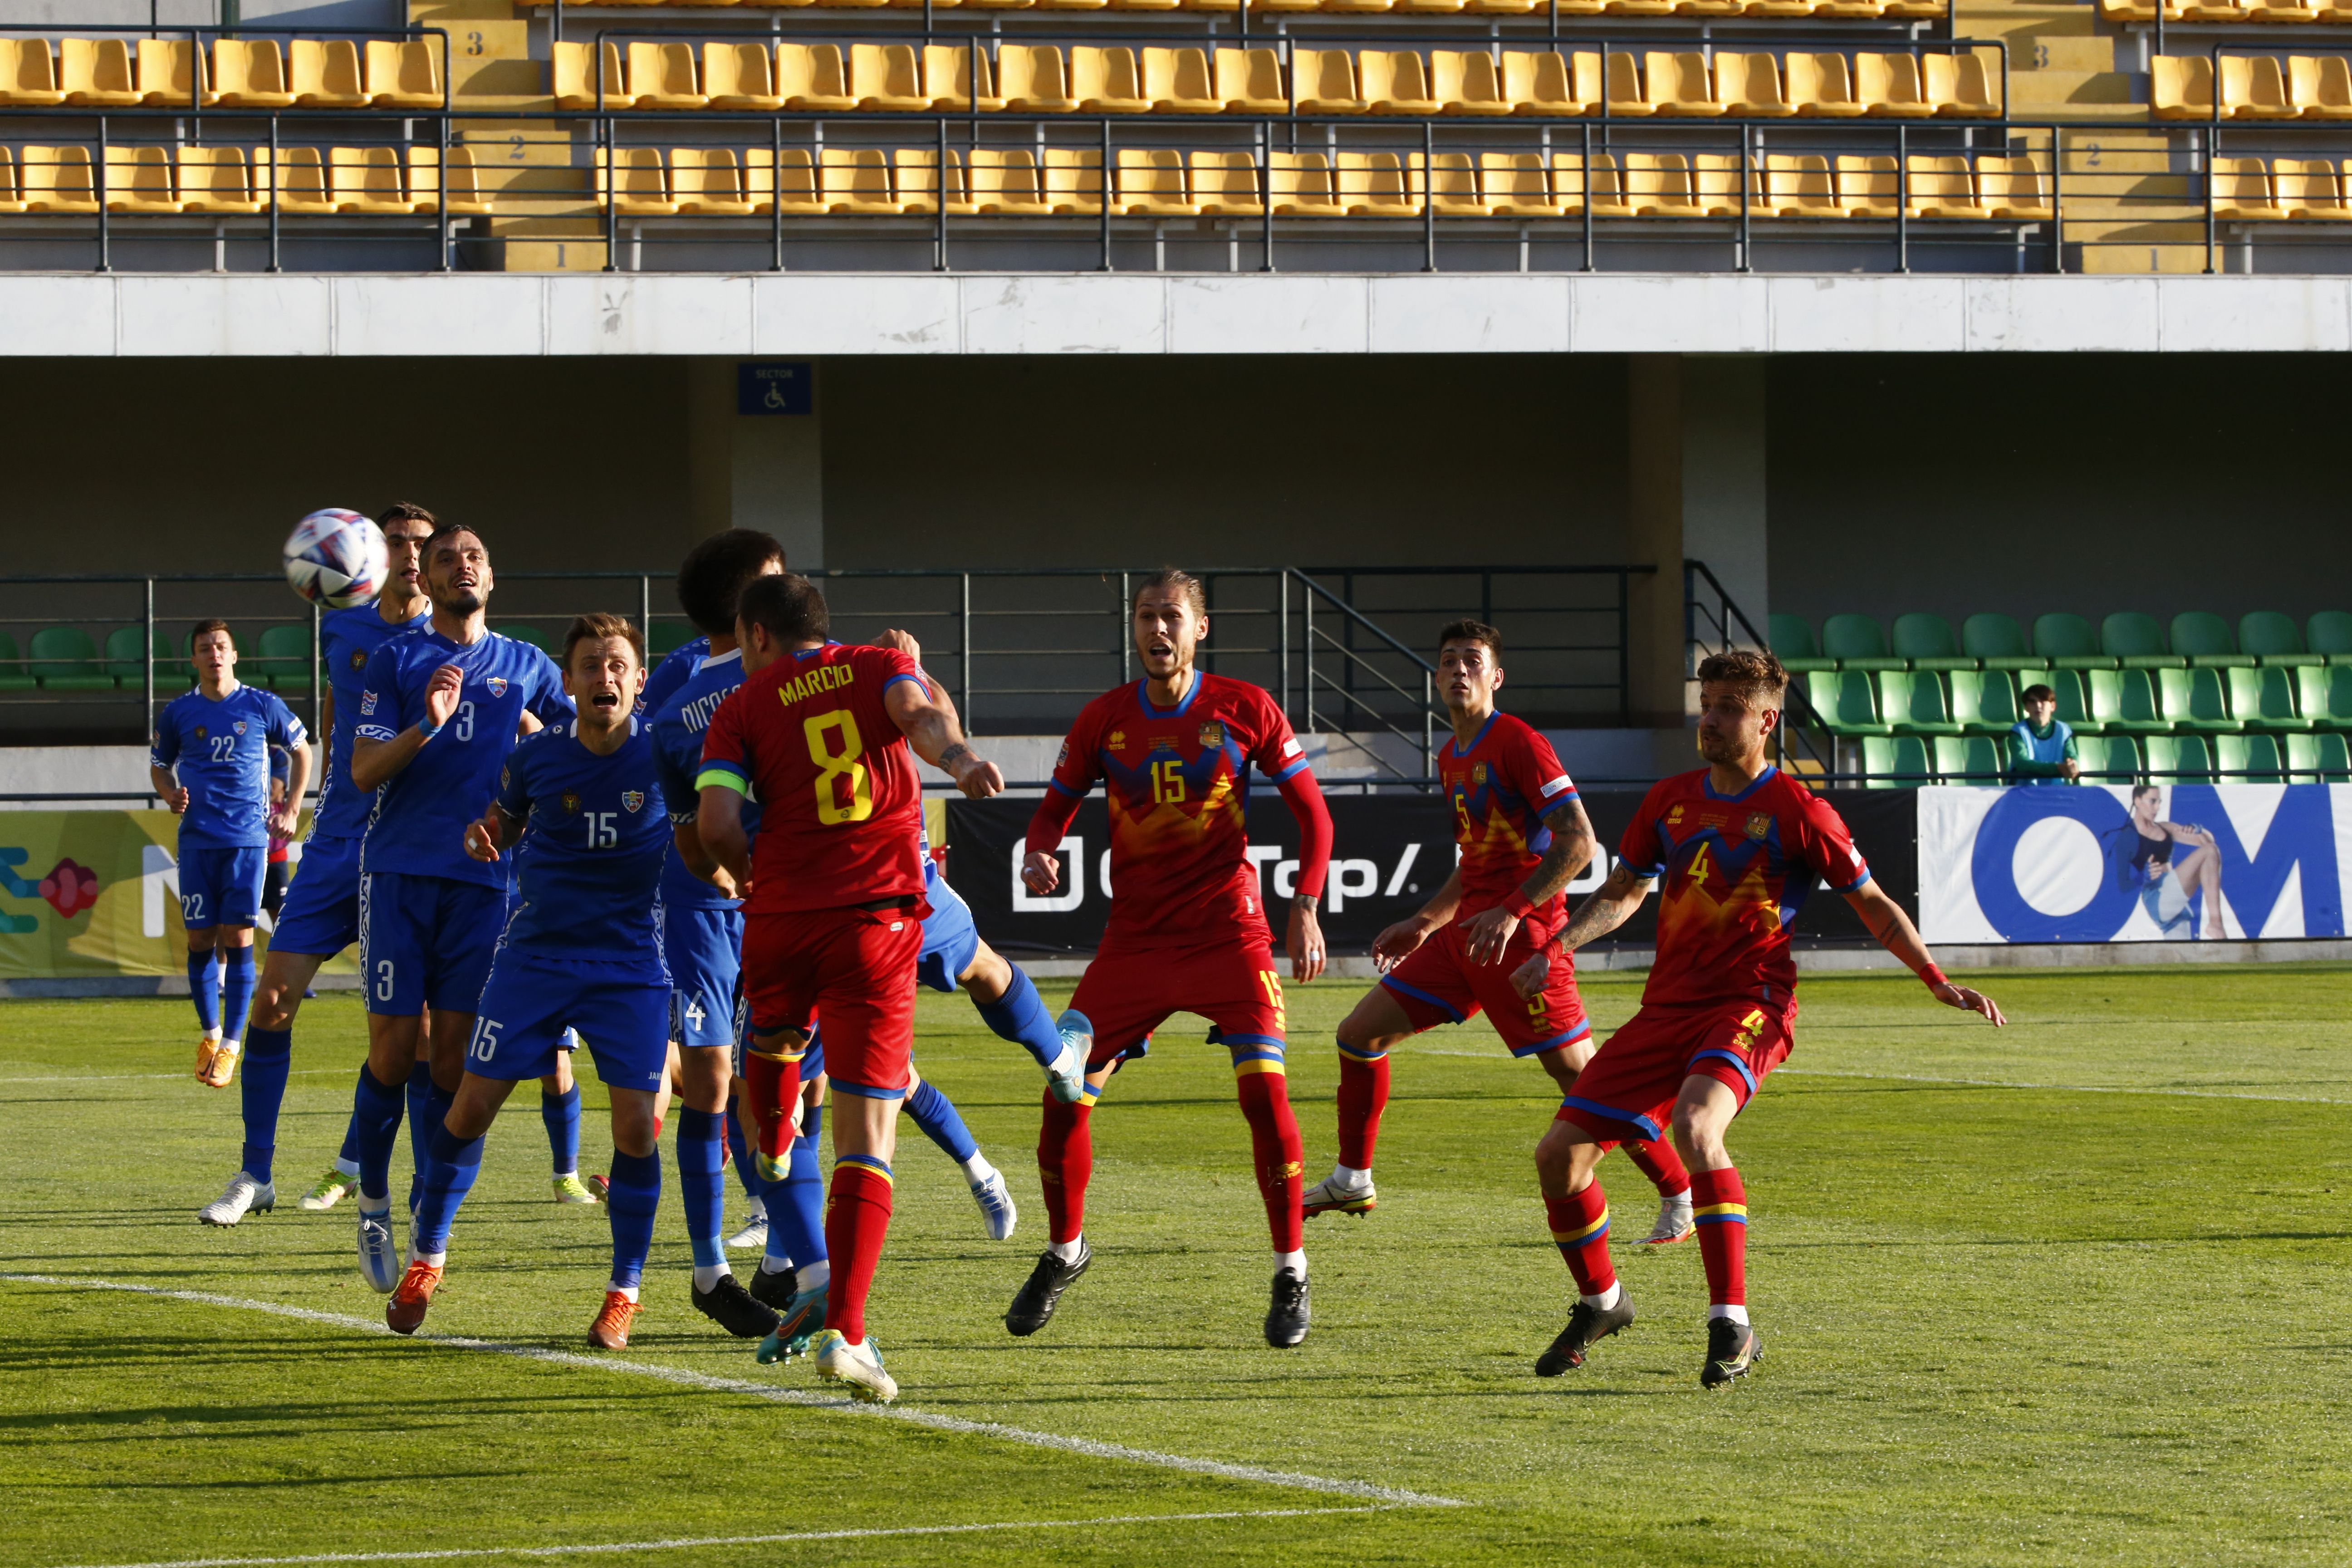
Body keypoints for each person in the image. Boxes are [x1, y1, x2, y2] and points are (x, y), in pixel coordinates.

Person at [1509, 649, 2005, 1388]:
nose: (1709, 719)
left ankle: (1730, 1323)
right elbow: (1622, 892)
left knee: (1695, 1127)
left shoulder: (1800, 810)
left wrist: (1934, 979)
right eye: (1706, 704)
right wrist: (1557, 945)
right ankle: (1602, 1303)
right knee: (1558, 1156)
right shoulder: (1668, 800)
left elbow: (1871, 902)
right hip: (1664, 1008)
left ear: (1767, 720)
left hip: (1750, 1005)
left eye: (1729, 707)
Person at [388, 615, 775, 1346]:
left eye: (618, 665)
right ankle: (427, 1258)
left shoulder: (666, 753)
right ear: (567, 683)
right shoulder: (535, 756)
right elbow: (503, 820)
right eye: (591, 666)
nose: (605, 677)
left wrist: (734, 878)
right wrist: (485, 833)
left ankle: (624, 1292)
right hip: (533, 960)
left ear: (639, 680)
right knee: (470, 1109)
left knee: (635, 1129)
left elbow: (702, 832)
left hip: (629, 968)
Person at [696, 571, 1004, 1403]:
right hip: (873, 921)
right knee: (868, 1135)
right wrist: (961, 759)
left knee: (773, 1049)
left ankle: (772, 1139)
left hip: (780, 920)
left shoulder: (740, 707)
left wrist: (752, 877)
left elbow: (717, 824)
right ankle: (849, 1333)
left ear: (757, 636)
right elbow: (920, 716)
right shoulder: (874, 667)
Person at [1007, 568, 1333, 1350]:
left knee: (1265, 1096)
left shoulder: (1245, 707)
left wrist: (1305, 907)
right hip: (1135, 945)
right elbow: (1050, 815)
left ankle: (1290, 1269)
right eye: (1146, 616)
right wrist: (1038, 852)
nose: (1158, 630)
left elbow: (1314, 816)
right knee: (1062, 1097)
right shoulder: (1104, 719)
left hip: (1229, 936)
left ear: (1200, 629)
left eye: (1172, 617)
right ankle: (1065, 1251)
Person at [1303, 621, 1696, 1245]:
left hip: (1525, 941)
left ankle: (1678, 1191)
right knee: (1358, 1035)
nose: (1459, 670)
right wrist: (1424, 921)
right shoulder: (1451, 755)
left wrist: (1514, 910)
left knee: (1584, 1082)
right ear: (1436, 677)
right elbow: (1476, 860)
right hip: (1466, 938)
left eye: (1473, 660)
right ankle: (1353, 1178)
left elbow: (1580, 842)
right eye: (1449, 661)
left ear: (1496, 677)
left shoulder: (1518, 742)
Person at [343, 523, 573, 1292]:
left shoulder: (528, 665)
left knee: (453, 1062)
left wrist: (539, 742)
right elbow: (364, 770)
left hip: (485, 886)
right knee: (391, 1052)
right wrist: (428, 724)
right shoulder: (397, 658)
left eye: (474, 556)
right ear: (428, 579)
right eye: (446, 558)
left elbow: (579, 750)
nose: (461, 565)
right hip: (401, 873)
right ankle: (372, 1202)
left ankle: (425, 1207)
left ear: (492, 577)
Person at [235, 504, 434, 1222]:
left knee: (412, 1034)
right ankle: (255, 1175)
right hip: (336, 845)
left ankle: (357, 1167)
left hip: (410, 851)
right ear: (374, 554)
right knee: (272, 1001)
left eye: (423, 545)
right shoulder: (342, 626)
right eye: (398, 543)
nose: (412, 555)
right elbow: (336, 706)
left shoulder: (449, 640)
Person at [156, 621, 313, 1206]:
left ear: (235, 655)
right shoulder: (179, 713)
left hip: (248, 841)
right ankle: (210, 1035)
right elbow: (159, 764)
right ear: (195, 659)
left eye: (221, 647)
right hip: (198, 841)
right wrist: (168, 792)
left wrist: (292, 804)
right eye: (204, 648)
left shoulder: (262, 706)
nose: (214, 655)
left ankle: (234, 1044)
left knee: (239, 936)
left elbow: (303, 749)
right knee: (200, 940)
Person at [2115, 784, 2227, 939]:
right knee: (2209, 852)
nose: (2157, 808)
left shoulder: (2164, 828)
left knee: (2182, 954)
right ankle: (2216, 923)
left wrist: (2198, 829)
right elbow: (2124, 885)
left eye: (2159, 802)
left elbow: (2208, 842)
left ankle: (2215, 926)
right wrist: (2143, 877)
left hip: (2174, 898)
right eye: (2152, 801)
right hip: (2158, 897)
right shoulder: (2126, 838)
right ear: (2138, 801)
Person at [2007, 685, 2079, 786]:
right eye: (2032, 702)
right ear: (2026, 707)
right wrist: (2057, 768)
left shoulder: (2063, 730)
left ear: (2053, 706)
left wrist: (2071, 763)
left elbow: (2071, 756)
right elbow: (2022, 764)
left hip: (2056, 790)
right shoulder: (2018, 731)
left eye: (2043, 701)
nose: (2038, 706)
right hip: (2023, 791)